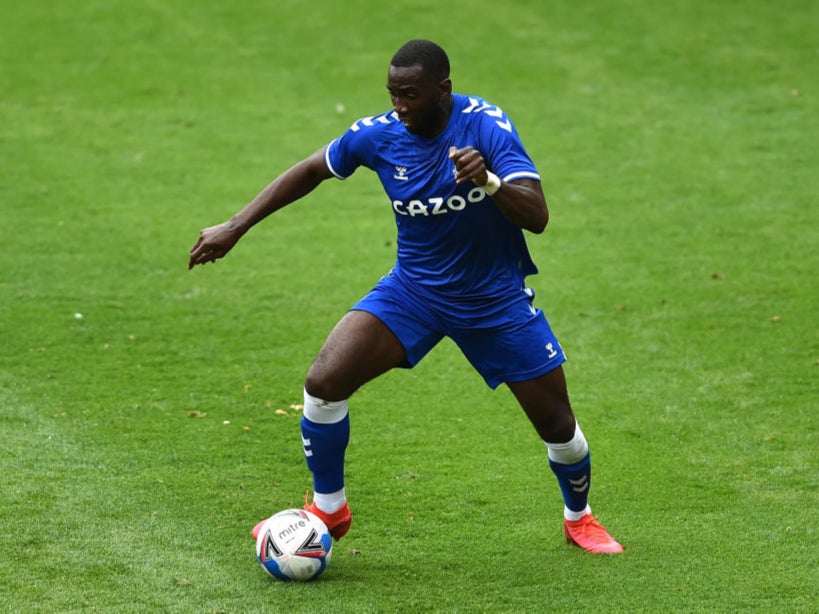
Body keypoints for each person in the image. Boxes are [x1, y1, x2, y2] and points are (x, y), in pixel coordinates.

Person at [189, 39, 623, 554]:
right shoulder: (379, 136)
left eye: (410, 95)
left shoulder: (486, 126)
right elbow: (311, 170)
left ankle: (580, 518)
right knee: (324, 384)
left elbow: (538, 215)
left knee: (558, 425)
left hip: (494, 301)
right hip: (414, 290)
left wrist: (487, 179)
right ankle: (330, 509)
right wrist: (235, 227)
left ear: (444, 90)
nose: (399, 106)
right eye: (393, 94)